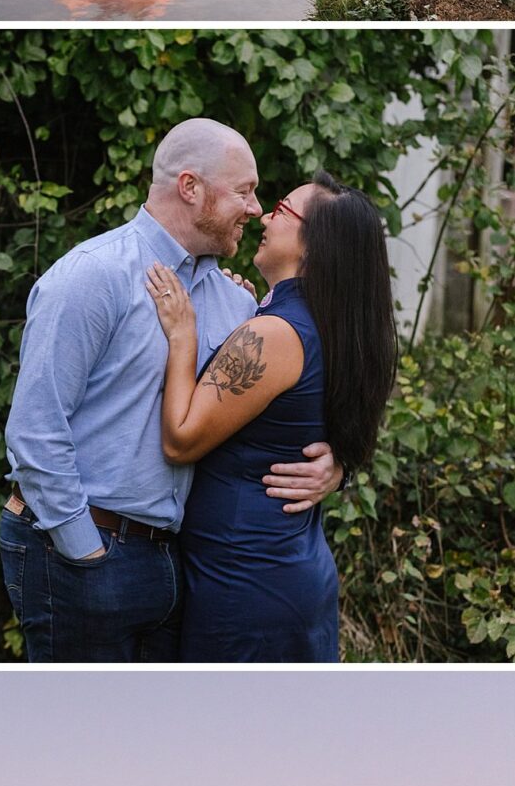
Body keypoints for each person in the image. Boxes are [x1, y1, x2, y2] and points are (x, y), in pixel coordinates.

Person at [0, 118, 343, 660]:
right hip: (82, 547)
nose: (255, 209)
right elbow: (35, 431)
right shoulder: (94, 276)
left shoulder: (238, 305)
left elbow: (269, 412)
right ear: (191, 187)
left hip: (174, 561)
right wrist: (84, 550)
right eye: (245, 192)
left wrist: (335, 463)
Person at [146, 170, 398, 661]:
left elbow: (180, 439)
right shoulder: (327, 326)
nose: (263, 214)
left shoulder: (274, 334)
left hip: (246, 580)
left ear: (314, 244)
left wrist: (184, 336)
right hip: (279, 570)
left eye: (282, 209)